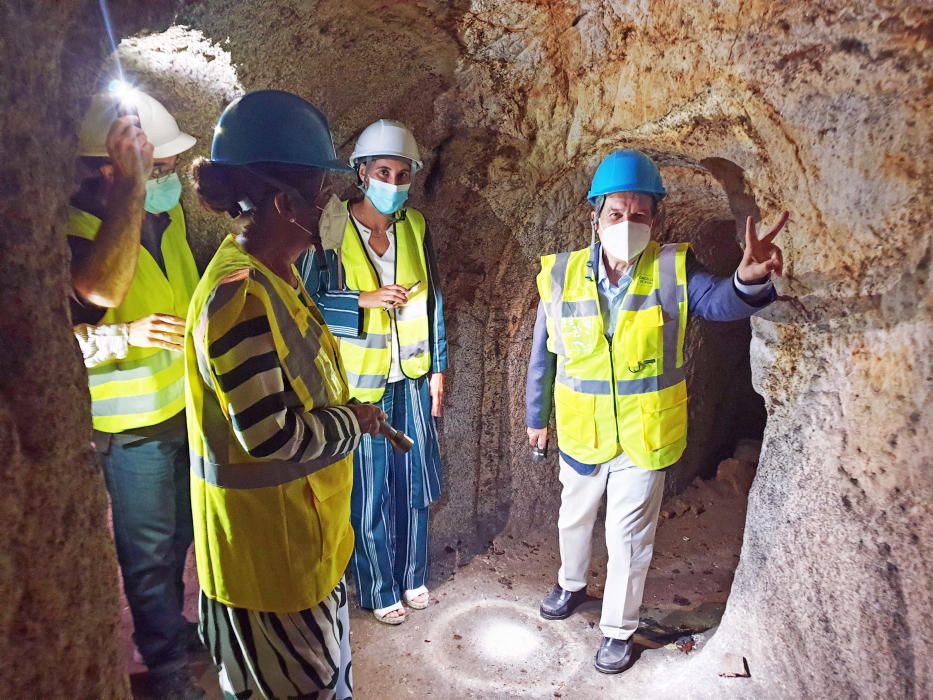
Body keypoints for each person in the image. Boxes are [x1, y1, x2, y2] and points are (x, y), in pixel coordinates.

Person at [526, 150, 787, 674]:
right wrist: (537, 418)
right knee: (573, 519)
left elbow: (718, 304)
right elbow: (543, 354)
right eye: (616, 214)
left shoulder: (673, 267)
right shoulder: (559, 275)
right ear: (595, 217)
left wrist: (748, 279)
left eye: (639, 214)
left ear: (656, 220)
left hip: (644, 438)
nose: (627, 224)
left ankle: (618, 630)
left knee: (628, 538)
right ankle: (571, 585)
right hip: (581, 431)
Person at [185, 90, 384, 699]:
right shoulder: (238, 298)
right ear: (282, 203)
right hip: (265, 568)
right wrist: (354, 421)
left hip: (302, 547)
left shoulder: (277, 278)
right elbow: (273, 436)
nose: (328, 204)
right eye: (320, 194)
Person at [68, 88, 203, 698]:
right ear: (112, 171)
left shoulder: (165, 221)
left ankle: (172, 634)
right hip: (130, 426)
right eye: (161, 169)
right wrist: (125, 336)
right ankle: (166, 665)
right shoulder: (76, 232)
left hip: (181, 411)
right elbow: (70, 327)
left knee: (179, 538)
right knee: (147, 552)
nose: (170, 179)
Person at [297, 119, 447, 625]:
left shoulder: (416, 227)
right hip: (360, 386)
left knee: (415, 479)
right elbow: (305, 302)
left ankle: (412, 574)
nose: (394, 183)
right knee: (370, 490)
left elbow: (433, 301)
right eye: (384, 171)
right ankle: (379, 587)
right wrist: (363, 300)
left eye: (403, 174)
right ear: (361, 172)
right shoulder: (330, 227)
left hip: (412, 377)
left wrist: (439, 367)